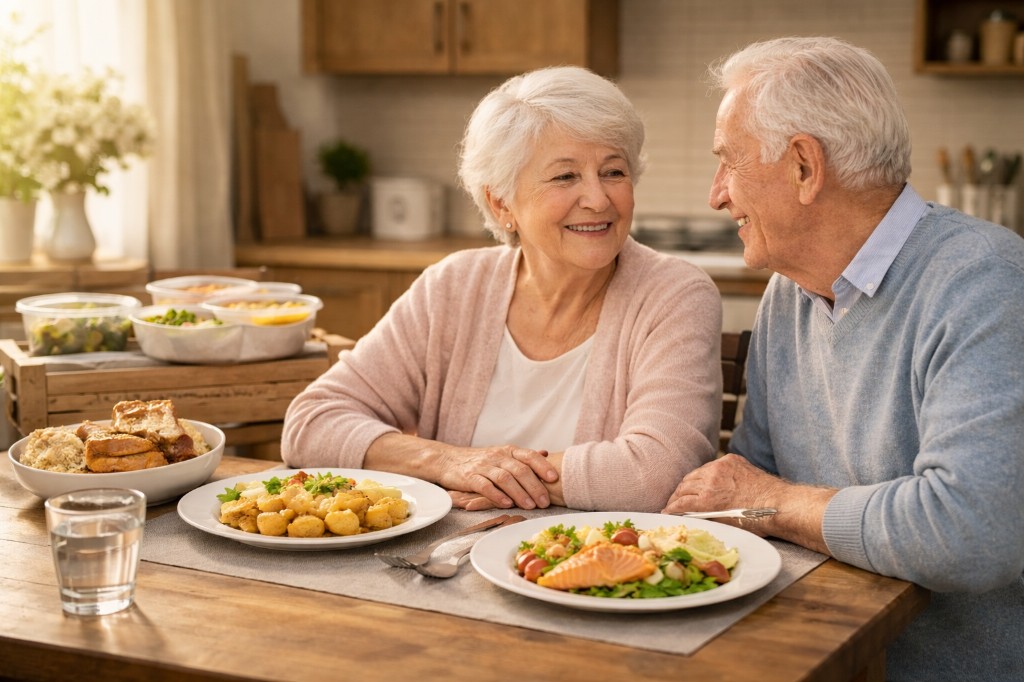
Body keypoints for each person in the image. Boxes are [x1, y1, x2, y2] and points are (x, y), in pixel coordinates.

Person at [662, 36, 1024, 680]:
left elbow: (972, 532)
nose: (717, 195)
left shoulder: (988, 283)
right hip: (814, 655)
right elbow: (750, 490)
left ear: (804, 166)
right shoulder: (791, 290)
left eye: (729, 162)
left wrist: (772, 501)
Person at [282, 65, 723, 512]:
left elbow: (655, 474)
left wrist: (500, 477)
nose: (598, 198)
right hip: (448, 559)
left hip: (603, 566)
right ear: (501, 202)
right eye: (565, 177)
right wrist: (448, 462)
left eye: (613, 171)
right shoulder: (454, 287)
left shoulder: (675, 295)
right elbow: (310, 423)